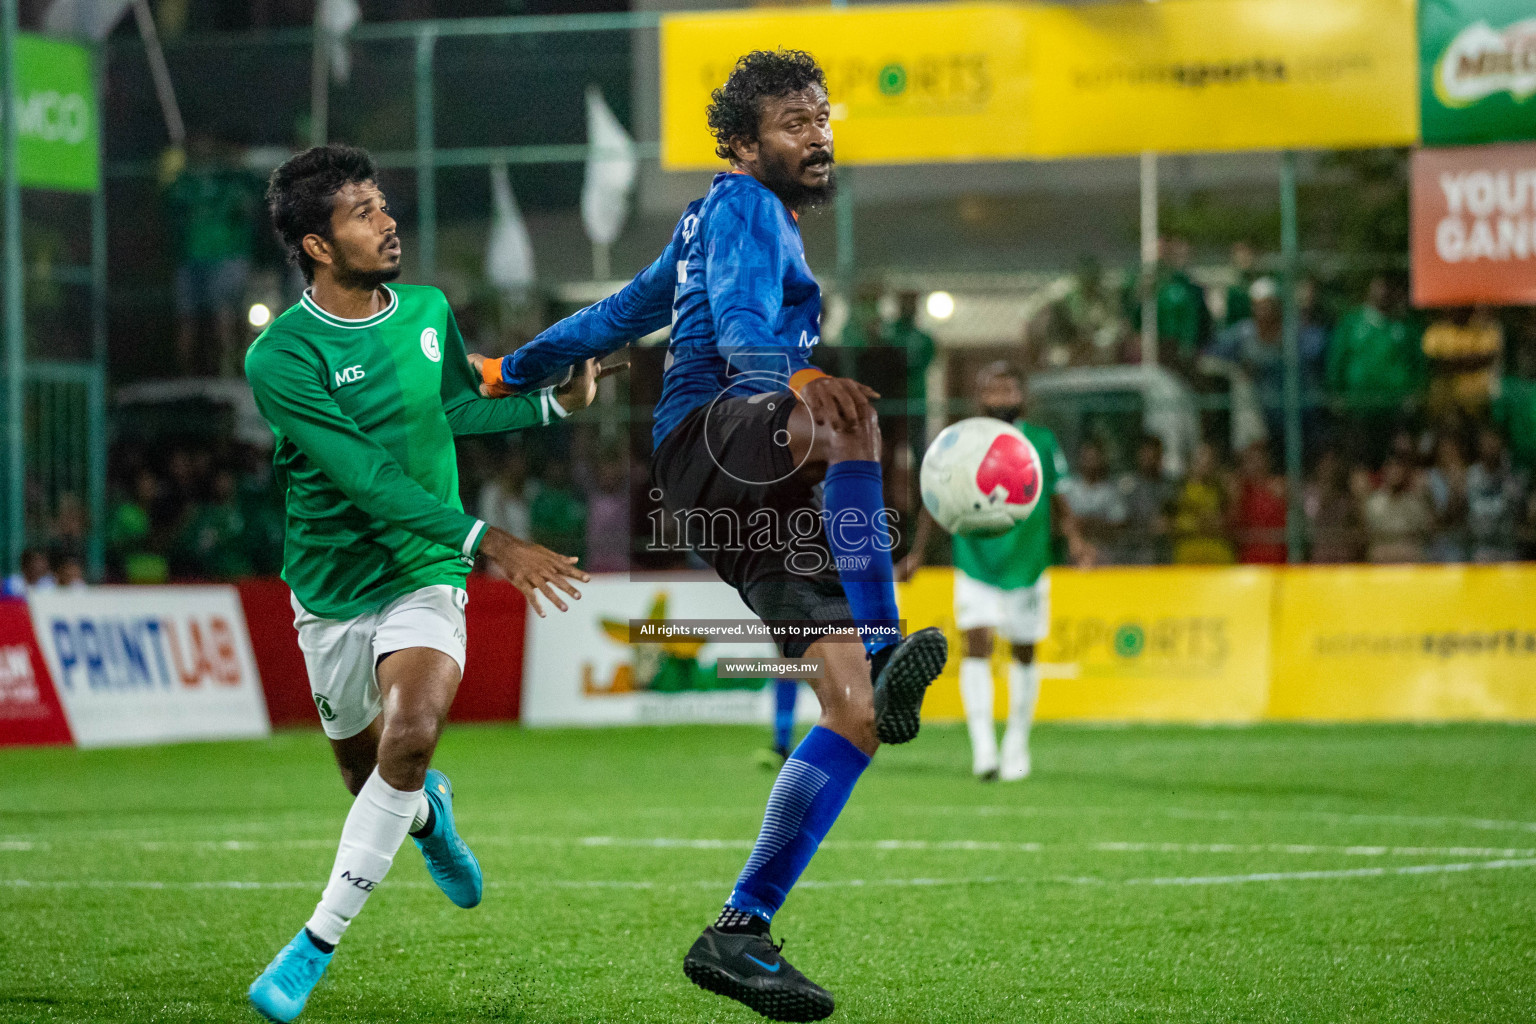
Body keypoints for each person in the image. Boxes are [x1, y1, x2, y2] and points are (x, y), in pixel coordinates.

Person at [473, 50, 949, 1021]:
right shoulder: (742, 206)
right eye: (792, 121)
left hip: (724, 484)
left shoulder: (704, 224)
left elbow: (614, 315)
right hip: (718, 435)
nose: (816, 133)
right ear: (742, 145)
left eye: (822, 116)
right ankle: (892, 641)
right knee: (850, 413)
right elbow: (737, 333)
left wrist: (509, 370)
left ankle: (739, 930)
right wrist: (786, 392)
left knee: (850, 714)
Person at [242, 145, 595, 1023]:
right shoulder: (281, 356)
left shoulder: (429, 309)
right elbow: (362, 475)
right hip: (330, 589)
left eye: (382, 202)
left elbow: (454, 407)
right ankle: (429, 819)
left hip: (423, 570)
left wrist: (553, 406)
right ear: (317, 246)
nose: (387, 219)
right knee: (371, 774)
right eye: (362, 211)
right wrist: (493, 541)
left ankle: (312, 945)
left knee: (411, 734)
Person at [901, 363, 1092, 783]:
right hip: (975, 559)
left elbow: (1059, 497)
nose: (1002, 398)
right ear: (980, 396)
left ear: (1021, 396)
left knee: (1024, 651)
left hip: (1027, 561)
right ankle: (984, 748)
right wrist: (917, 553)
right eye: (993, 391)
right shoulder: (961, 441)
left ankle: (1016, 743)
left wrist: (1075, 541)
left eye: (1009, 390)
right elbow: (938, 497)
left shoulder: (1040, 441)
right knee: (977, 645)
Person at [1058, 438, 1125, 557]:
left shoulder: (1110, 492)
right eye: (1087, 459)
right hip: (1073, 552)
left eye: (1094, 459)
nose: (1090, 463)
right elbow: (1062, 521)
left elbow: (1119, 525)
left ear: (1102, 460)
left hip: (1103, 553)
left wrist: (1089, 523)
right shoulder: (1069, 488)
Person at [1170, 442, 1235, 564]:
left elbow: (1229, 518)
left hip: (1216, 553)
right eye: (1201, 458)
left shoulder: (1220, 488)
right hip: (1188, 553)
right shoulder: (1179, 489)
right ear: (1192, 462)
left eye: (1209, 459)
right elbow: (1167, 521)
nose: (1205, 463)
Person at [1117, 434, 1175, 565]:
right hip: (1134, 555)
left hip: (1163, 555)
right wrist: (1147, 525)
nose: (1149, 458)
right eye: (1146, 454)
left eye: (1153, 454)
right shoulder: (1128, 485)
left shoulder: (1170, 486)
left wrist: (1168, 523)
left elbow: (1174, 515)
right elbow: (1120, 521)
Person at [1363, 455, 1433, 563]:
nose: (1395, 473)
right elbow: (1370, 533)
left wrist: (1425, 495)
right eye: (1391, 469)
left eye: (1398, 469)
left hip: (1408, 550)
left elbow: (1425, 529)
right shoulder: (1374, 501)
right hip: (1382, 549)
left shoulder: (1414, 501)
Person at [1229, 440, 1288, 564]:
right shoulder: (1240, 490)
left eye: (1258, 459)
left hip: (1276, 556)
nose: (1255, 465)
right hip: (1250, 557)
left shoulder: (1279, 487)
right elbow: (1233, 522)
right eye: (1249, 461)